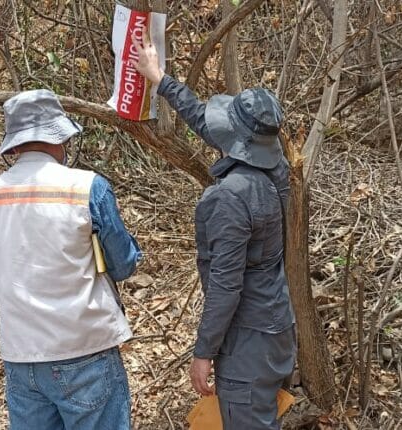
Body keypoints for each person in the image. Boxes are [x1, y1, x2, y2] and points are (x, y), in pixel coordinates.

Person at [132, 32, 296, 429]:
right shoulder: (279, 171)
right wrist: (160, 79)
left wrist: (203, 352)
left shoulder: (230, 199)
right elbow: (211, 126)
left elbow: (226, 284)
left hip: (247, 342)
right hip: (277, 328)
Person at [0, 89, 142, 430]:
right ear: (61, 136)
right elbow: (123, 264)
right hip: (85, 349)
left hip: (21, 357)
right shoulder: (87, 187)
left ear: (14, 146)